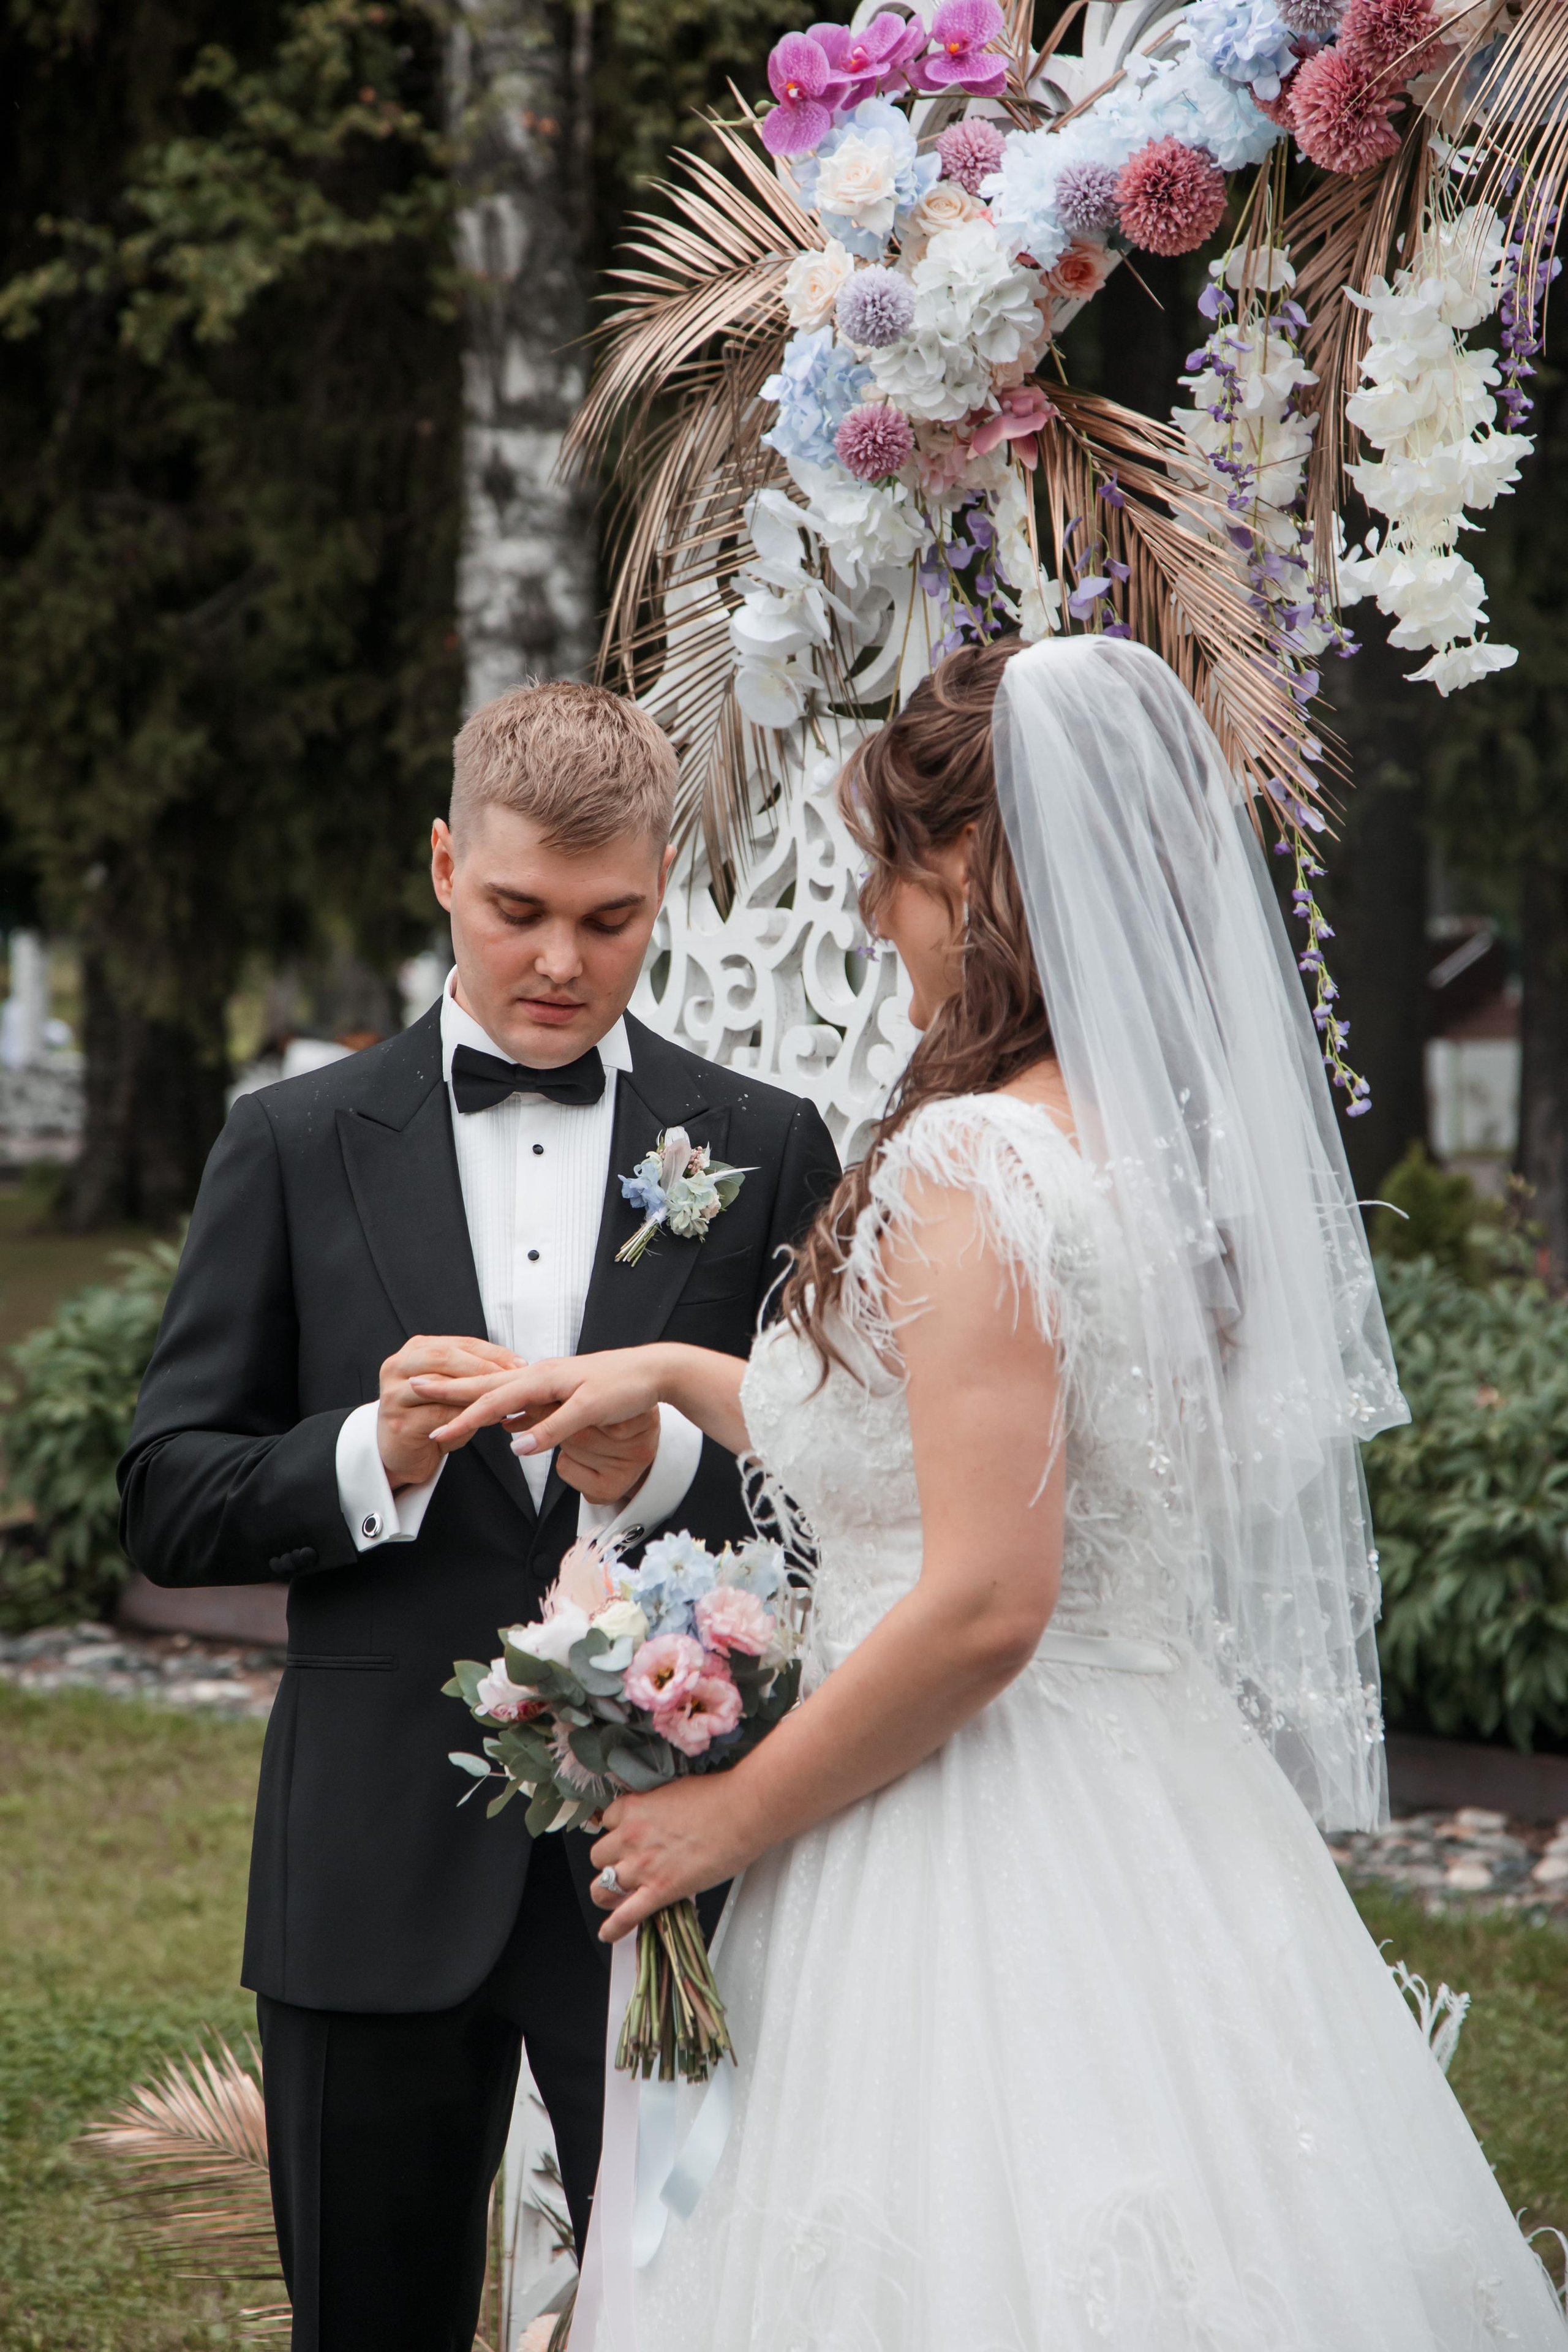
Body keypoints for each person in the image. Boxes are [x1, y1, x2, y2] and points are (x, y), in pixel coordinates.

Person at [424, 639, 1568, 2349]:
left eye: (893, 868)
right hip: (1151, 1792)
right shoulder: (1136, 1146)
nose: (878, 911)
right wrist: (668, 1377)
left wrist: (731, 1818)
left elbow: (982, 1597)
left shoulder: (975, 1164)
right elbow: (941, 1449)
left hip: (959, 1818)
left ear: (979, 874)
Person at [116, 680, 839, 2352]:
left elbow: (838, 1501)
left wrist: (655, 1473)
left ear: (662, 890)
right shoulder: (291, 1143)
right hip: (367, 1871)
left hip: (666, 1872)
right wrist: (376, 1454)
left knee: (704, 2318)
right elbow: (167, 1493)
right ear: (446, 865)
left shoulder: (761, 1145)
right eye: (518, 911)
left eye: (611, 920)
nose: (563, 964)